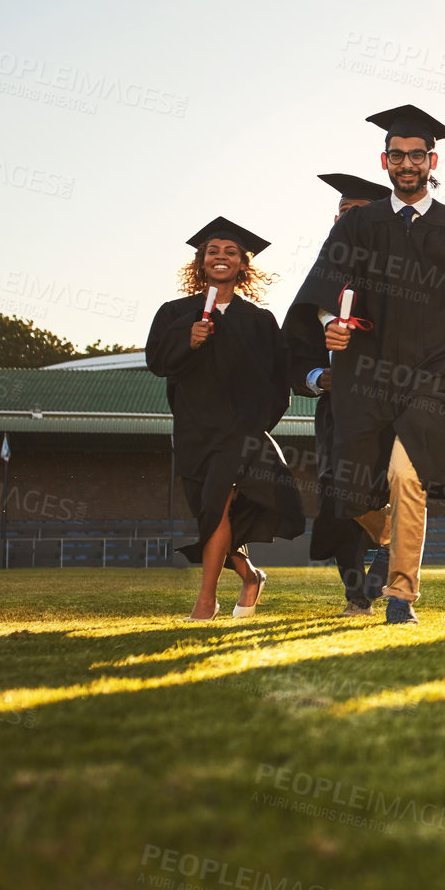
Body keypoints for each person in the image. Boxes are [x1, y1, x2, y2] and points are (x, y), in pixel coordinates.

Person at [290, 105, 445, 625]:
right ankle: (391, 530)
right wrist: (331, 322)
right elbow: (325, 285)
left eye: (417, 155)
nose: (408, 163)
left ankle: (400, 597)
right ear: (385, 161)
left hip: (429, 383)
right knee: (356, 494)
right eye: (398, 155)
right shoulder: (360, 225)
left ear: (432, 160)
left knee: (407, 477)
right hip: (365, 379)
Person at [145, 218, 305, 621]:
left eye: (230, 252)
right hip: (194, 429)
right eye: (212, 252)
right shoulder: (174, 313)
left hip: (240, 433)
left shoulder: (259, 321)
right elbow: (157, 362)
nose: (221, 257)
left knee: (217, 507)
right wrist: (188, 341)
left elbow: (277, 382)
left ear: (242, 265)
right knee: (208, 512)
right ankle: (250, 576)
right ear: (201, 262)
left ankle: (206, 602)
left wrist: (256, 426)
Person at [283, 173, 390, 616]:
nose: (349, 222)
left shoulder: (394, 279)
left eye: (359, 214)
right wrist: (316, 377)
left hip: (387, 408)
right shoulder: (320, 281)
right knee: (339, 500)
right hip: (337, 411)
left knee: (387, 492)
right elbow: (294, 349)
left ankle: (385, 562)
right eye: (344, 214)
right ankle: (355, 594)